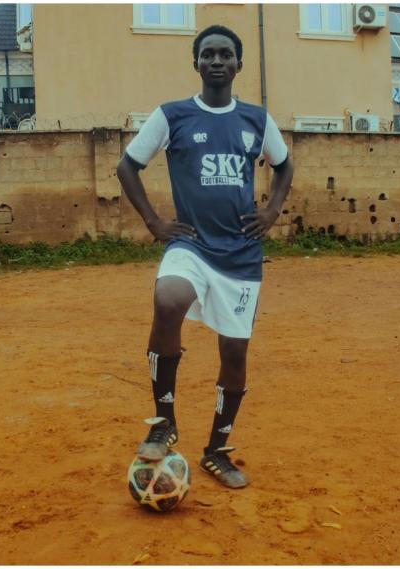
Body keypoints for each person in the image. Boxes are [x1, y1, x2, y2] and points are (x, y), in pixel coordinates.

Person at [116, 24, 293, 489]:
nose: (217, 61)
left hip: (241, 257)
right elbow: (127, 165)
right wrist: (155, 223)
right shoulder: (173, 116)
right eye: (208, 54)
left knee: (235, 354)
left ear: (238, 64)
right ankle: (163, 422)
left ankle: (217, 450)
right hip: (190, 245)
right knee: (169, 299)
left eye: (225, 54)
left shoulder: (256, 120)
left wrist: (272, 209)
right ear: (195, 63)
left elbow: (284, 164)